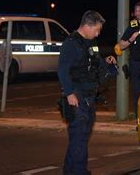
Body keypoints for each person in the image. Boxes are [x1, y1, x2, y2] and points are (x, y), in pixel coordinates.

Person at [57, 10, 116, 175]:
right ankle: (79, 171)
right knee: (79, 138)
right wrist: (69, 94)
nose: (98, 33)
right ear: (87, 26)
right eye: (96, 29)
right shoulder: (70, 44)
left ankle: (69, 170)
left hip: (89, 95)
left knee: (80, 137)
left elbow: (92, 62)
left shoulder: (91, 42)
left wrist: (106, 61)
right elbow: (62, 71)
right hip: (77, 96)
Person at [119, 1, 140, 121]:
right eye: (136, 11)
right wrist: (131, 38)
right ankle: (138, 118)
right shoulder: (133, 25)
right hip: (136, 63)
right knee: (137, 92)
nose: (138, 13)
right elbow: (121, 45)